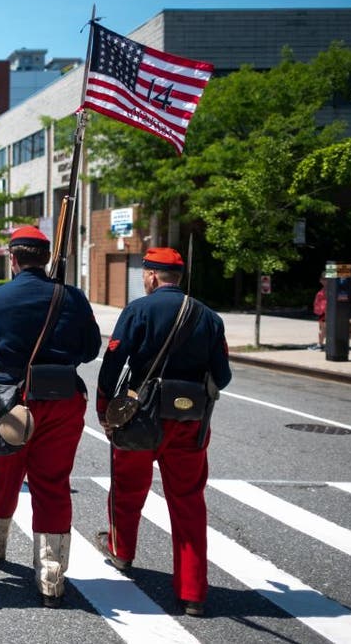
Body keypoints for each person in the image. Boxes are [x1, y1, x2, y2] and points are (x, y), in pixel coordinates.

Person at [0, 226, 101, 608]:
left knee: (3, 474)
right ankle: (51, 572)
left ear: (13, 259)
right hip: (61, 399)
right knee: (53, 482)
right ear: (47, 260)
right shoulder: (72, 297)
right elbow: (90, 349)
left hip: (10, 402)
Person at [94, 247, 232, 618]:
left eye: (145, 273)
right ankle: (192, 593)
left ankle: (122, 552)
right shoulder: (208, 316)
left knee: (128, 489)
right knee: (187, 502)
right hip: (189, 422)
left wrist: (106, 407)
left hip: (142, 415)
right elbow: (224, 376)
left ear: (153, 276)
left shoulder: (139, 309)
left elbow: (112, 363)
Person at [311, 277, 327, 351]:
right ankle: (321, 344)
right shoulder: (324, 290)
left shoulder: (327, 290)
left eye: (324, 279)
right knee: (322, 329)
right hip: (322, 312)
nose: (322, 281)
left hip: (324, 312)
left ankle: (320, 345)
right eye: (322, 279)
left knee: (323, 329)